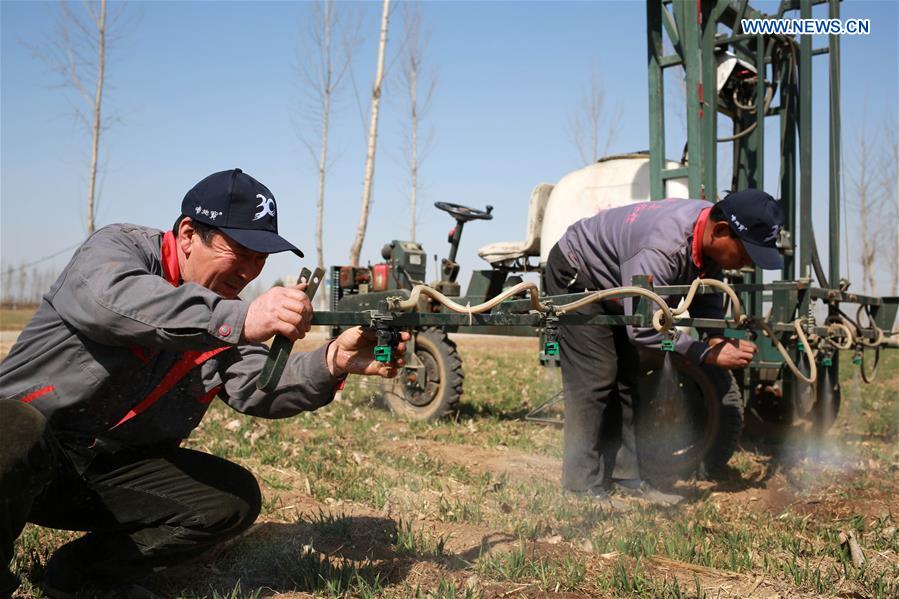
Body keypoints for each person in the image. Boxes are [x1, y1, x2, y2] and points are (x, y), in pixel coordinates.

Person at [0, 168, 408, 598]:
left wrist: (332, 360)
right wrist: (240, 319)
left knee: (230, 500)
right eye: (240, 251)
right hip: (22, 461)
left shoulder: (222, 316)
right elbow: (113, 302)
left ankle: (84, 577)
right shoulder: (118, 250)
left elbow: (258, 383)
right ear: (189, 234)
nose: (249, 272)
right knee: (15, 426)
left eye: (261, 259)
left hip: (99, 478)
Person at [544, 189, 785, 506]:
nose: (747, 262)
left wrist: (716, 337)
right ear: (722, 231)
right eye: (746, 253)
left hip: (616, 280)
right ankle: (582, 489)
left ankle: (626, 478)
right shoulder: (663, 248)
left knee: (627, 378)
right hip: (578, 274)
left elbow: (706, 287)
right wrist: (704, 354)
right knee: (597, 377)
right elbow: (643, 329)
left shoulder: (707, 232)